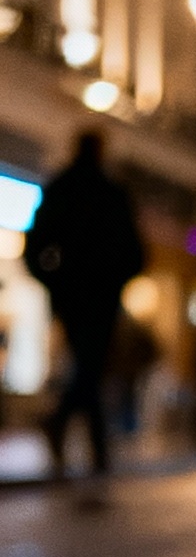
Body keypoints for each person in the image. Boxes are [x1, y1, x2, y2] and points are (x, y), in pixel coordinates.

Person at [24, 130, 145, 480]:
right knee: (90, 365)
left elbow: (36, 247)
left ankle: (74, 431)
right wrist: (114, 279)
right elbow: (135, 254)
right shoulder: (111, 193)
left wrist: (54, 281)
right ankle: (88, 441)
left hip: (74, 295)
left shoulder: (62, 188)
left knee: (87, 366)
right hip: (98, 296)